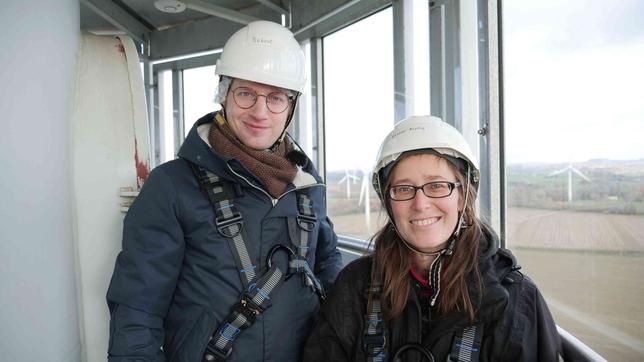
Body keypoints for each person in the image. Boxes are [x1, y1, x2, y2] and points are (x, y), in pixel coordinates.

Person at [107, 20, 342, 362]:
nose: (260, 111)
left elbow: (328, 269)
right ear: (224, 93)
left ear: (291, 107)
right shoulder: (172, 187)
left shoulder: (306, 186)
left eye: (276, 98)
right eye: (246, 93)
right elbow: (137, 310)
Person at [303, 115, 562, 361]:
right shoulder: (355, 287)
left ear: (462, 196)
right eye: (404, 189)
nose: (420, 203)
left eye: (437, 185)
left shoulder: (514, 299)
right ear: (389, 204)